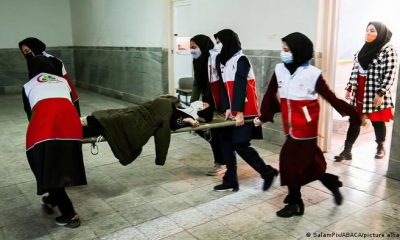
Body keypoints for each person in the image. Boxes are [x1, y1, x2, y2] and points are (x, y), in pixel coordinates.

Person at [254, 32, 361, 217]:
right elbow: (270, 93)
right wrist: (264, 116)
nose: (283, 53)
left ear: (298, 51)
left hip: (306, 129)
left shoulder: (313, 74)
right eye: (282, 49)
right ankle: (331, 183)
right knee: (310, 166)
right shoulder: (279, 69)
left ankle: (296, 203)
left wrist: (355, 115)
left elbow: (331, 98)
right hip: (290, 127)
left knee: (289, 163)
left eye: (286, 50)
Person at [22, 55, 87, 228]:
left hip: (45, 130)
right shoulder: (62, 82)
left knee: (47, 170)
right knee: (60, 166)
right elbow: (73, 100)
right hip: (72, 129)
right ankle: (51, 200)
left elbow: (30, 114)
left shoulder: (28, 85)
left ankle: (70, 215)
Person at [210, 29, 278, 192]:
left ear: (229, 42)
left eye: (220, 42)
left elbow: (240, 86)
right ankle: (230, 180)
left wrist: (238, 112)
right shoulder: (222, 61)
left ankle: (267, 172)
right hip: (232, 110)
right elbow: (223, 87)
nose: (219, 46)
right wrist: (227, 107)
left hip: (246, 110)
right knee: (225, 142)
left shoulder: (242, 60)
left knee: (240, 144)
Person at [81, 97, 214, 166]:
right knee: (114, 117)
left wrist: (187, 121)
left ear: (201, 112)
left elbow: (170, 126)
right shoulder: (183, 107)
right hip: (140, 111)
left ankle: (81, 127)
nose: (200, 102)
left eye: (203, 105)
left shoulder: (189, 117)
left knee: (112, 122)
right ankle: (86, 122)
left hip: (140, 120)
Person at [334, 22, 398, 161]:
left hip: (375, 92)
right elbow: (355, 70)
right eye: (367, 30)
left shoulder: (388, 50)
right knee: (355, 120)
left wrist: (381, 92)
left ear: (380, 33)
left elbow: (390, 73)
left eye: (372, 30)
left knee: (377, 121)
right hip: (360, 90)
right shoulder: (362, 50)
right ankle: (347, 151)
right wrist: (350, 87)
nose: (368, 33)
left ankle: (380, 147)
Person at [190, 34, 226, 176]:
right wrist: (193, 105)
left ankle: (222, 163)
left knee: (214, 132)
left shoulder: (214, 59)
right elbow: (197, 83)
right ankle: (222, 159)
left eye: (194, 47)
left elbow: (223, 82)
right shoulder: (197, 61)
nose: (192, 50)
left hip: (218, 102)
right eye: (190, 47)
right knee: (205, 130)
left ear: (203, 46)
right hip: (206, 102)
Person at [19, 37, 81, 115]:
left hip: (61, 97)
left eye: (27, 51)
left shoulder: (52, 61)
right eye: (23, 52)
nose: (26, 54)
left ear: (35, 48)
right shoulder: (33, 61)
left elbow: (60, 82)